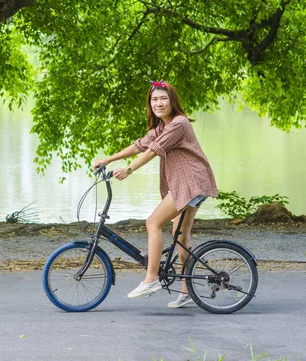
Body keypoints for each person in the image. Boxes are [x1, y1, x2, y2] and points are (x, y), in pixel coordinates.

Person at [93, 80, 218, 308]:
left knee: (153, 223)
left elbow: (153, 151)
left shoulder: (178, 124)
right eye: (154, 100)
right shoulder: (162, 126)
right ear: (150, 104)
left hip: (190, 182)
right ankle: (186, 290)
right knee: (181, 237)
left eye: (163, 98)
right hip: (191, 182)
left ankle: (151, 279)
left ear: (172, 101)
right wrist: (109, 159)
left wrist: (129, 169)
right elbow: (140, 145)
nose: (158, 103)